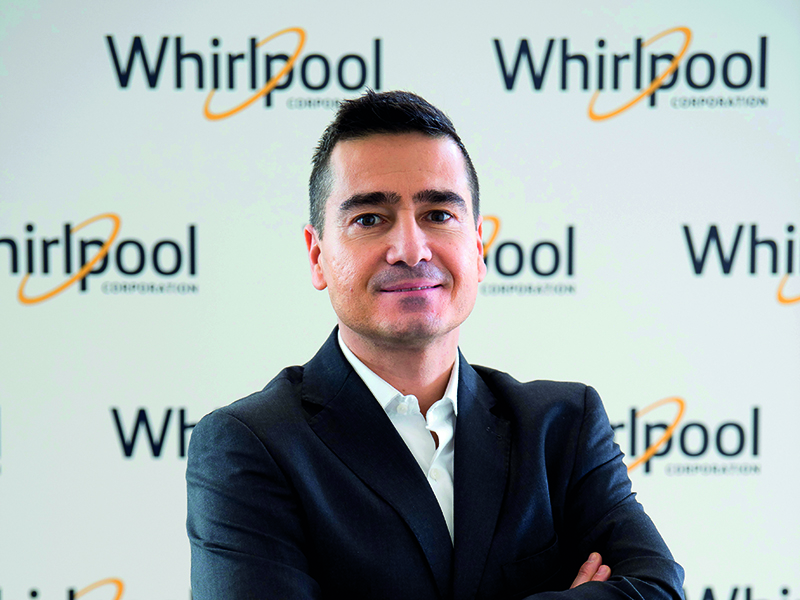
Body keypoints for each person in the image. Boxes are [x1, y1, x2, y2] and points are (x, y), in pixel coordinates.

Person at [186, 90, 684, 599]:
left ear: (478, 246)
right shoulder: (251, 446)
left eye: (439, 215)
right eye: (369, 219)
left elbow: (658, 589)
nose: (410, 249)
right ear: (318, 257)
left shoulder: (562, 428)